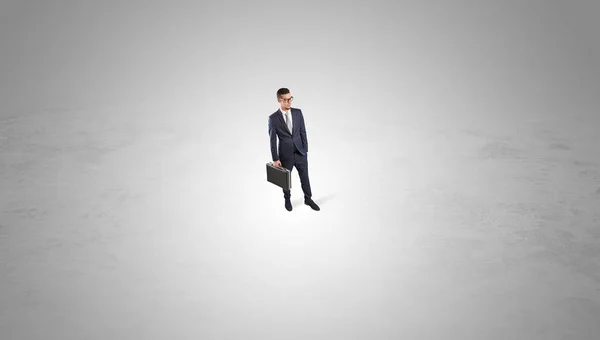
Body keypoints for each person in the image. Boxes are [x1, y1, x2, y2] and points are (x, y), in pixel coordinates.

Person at [268, 88, 320, 211]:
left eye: (290, 99)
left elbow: (303, 131)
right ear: (279, 100)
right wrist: (275, 158)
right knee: (285, 180)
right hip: (285, 155)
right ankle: (287, 199)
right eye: (285, 100)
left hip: (300, 152)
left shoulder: (298, 113)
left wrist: (305, 149)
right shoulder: (273, 118)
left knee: (305, 177)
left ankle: (308, 199)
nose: (288, 102)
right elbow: (272, 140)